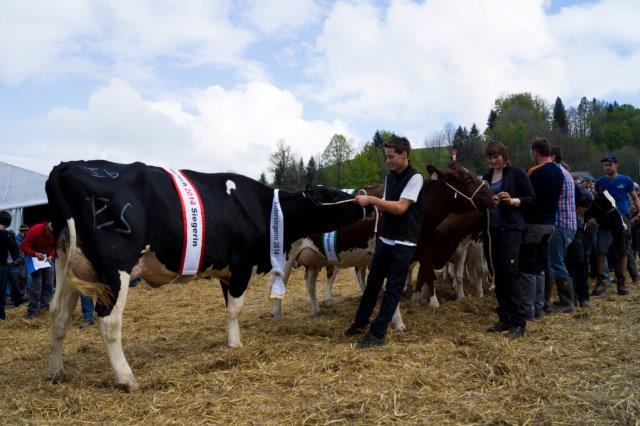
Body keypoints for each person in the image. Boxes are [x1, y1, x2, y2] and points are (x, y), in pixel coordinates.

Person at [345, 135, 423, 348]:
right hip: (387, 238)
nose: (388, 161)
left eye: (391, 157)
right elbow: (387, 204)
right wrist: (371, 209)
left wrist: (372, 199)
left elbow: (400, 207)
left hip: (404, 242)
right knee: (373, 284)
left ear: (404, 154)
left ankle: (377, 335)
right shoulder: (390, 177)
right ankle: (360, 323)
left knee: (393, 289)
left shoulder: (415, 178)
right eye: (386, 157)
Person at [482, 140, 535, 339]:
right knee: (498, 275)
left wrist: (512, 200)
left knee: (509, 274)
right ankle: (505, 318)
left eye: (496, 157)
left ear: (504, 155)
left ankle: (519, 322)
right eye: (489, 158)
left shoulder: (517, 173)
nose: (493, 161)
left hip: (511, 229)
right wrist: (490, 200)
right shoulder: (486, 177)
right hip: (492, 230)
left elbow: (531, 199)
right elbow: (483, 200)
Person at [523, 138, 564, 318]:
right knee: (540, 268)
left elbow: (527, 198)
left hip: (534, 225)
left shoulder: (535, 172)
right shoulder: (559, 172)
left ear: (535, 152)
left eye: (532, 153)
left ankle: (528, 311)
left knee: (528, 269)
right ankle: (539, 308)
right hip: (550, 224)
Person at [592, 154, 640, 296]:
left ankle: (622, 282)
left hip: (621, 218)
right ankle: (601, 282)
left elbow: (634, 197)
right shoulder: (600, 182)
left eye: (610, 164)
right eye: (605, 165)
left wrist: (639, 212)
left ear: (616, 165)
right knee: (601, 250)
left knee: (622, 251)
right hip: (605, 219)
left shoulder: (626, 180)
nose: (607, 167)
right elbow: (594, 201)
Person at [547, 146, 577, 313]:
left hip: (560, 223)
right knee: (557, 261)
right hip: (569, 224)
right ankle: (566, 301)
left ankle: (567, 303)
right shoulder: (566, 173)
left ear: (552, 156)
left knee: (555, 262)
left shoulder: (556, 173)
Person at [21, 222, 56, 318]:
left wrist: (51, 255)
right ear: (47, 230)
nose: (51, 236)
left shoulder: (55, 232)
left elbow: (54, 246)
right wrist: (34, 254)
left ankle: (44, 306)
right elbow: (24, 246)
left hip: (47, 259)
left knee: (49, 283)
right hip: (34, 258)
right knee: (37, 284)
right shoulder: (35, 230)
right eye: (51, 234)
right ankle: (32, 310)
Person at [0, 211, 20, 320]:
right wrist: (12, 258)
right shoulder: (7, 235)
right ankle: (1, 315)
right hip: (2, 265)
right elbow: (15, 249)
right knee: (1, 290)